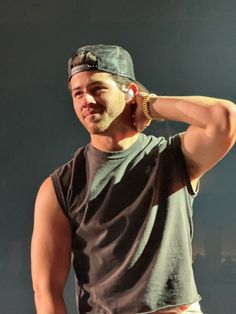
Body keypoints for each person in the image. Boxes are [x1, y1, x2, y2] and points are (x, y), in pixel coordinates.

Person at [31, 44, 236, 314]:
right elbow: (46, 292)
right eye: (77, 92)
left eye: (97, 89)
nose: (86, 100)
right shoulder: (60, 186)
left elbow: (224, 118)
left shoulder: (171, 156)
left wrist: (151, 105)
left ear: (131, 93)